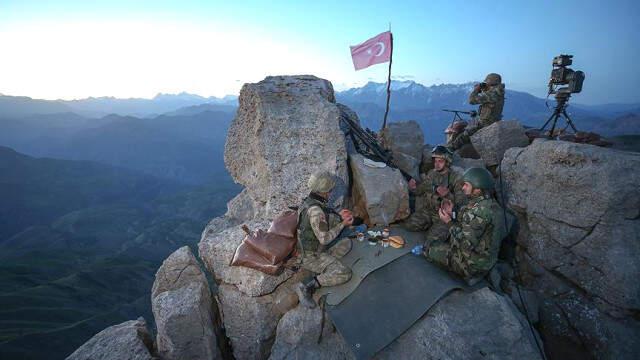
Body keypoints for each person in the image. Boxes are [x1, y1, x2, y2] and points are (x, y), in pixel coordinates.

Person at [423, 167, 503, 284]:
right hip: (486, 258)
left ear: (477, 190)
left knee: (429, 247)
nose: (463, 187)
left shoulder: (479, 212)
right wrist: (453, 212)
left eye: (466, 185)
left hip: (472, 263)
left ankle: (471, 274)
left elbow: (466, 244)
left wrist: (448, 222)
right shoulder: (489, 204)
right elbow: (468, 218)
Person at [294, 171, 354, 308]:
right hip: (310, 256)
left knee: (346, 243)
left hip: (314, 248)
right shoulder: (316, 210)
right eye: (331, 189)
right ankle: (307, 285)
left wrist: (338, 215)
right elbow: (324, 239)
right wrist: (343, 224)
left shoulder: (309, 201)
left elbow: (321, 222)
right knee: (345, 273)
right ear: (326, 190)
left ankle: (326, 266)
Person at [405, 146, 464, 245]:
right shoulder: (432, 174)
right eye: (435, 161)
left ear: (447, 162)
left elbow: (460, 204)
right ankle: (431, 225)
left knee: (431, 241)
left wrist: (448, 195)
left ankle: (442, 231)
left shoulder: (456, 178)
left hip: (444, 216)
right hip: (430, 210)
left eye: (440, 161)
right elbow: (420, 190)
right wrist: (413, 188)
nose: (437, 164)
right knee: (410, 225)